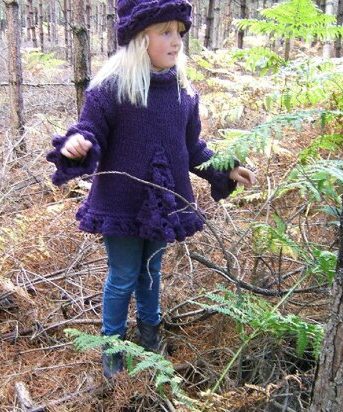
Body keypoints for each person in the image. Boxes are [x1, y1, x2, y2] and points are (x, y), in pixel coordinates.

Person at [46, 0, 256, 380]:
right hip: (122, 204)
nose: (176, 41)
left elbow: (193, 149)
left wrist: (226, 168)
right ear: (140, 38)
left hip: (164, 203)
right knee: (124, 274)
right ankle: (112, 348)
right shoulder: (110, 90)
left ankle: (149, 337)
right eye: (165, 32)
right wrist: (77, 144)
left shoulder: (184, 94)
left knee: (151, 272)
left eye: (180, 32)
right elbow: (90, 130)